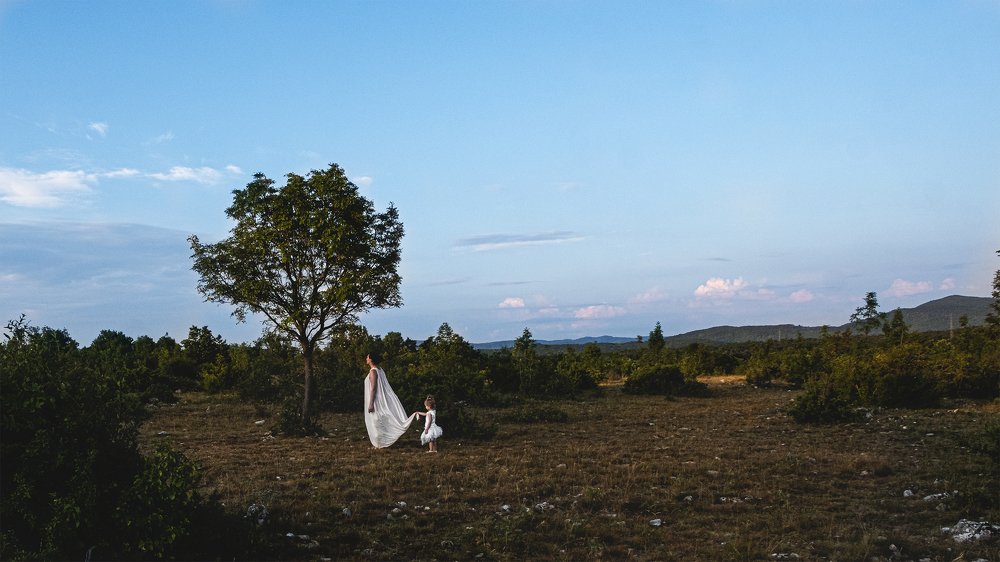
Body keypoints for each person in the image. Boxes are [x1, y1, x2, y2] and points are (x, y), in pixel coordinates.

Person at [363, 352, 416, 448]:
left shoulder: (373, 371)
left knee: (376, 420)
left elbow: (374, 388)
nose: (366, 358)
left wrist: (371, 403)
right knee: (380, 420)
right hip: (381, 398)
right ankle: (382, 442)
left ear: (371, 359)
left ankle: (380, 444)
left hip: (377, 399)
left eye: (367, 357)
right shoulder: (380, 370)